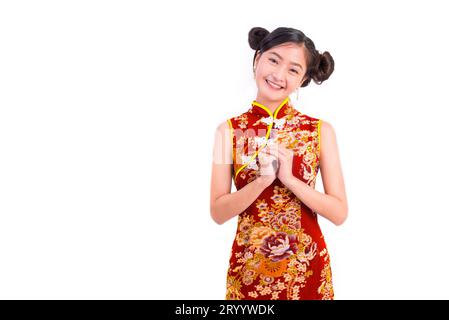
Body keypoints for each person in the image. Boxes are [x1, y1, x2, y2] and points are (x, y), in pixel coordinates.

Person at [210, 26, 348, 300]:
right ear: (257, 59)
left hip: (307, 270)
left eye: (293, 70)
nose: (278, 75)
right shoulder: (227, 131)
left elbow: (339, 212)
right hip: (250, 270)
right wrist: (261, 181)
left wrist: (290, 180)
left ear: (303, 79)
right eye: (273, 60)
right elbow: (218, 212)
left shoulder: (320, 131)